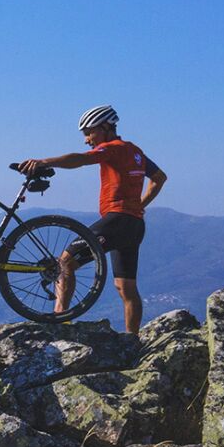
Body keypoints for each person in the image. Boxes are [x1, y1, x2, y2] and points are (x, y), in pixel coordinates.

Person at [17, 104, 167, 334]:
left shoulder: (113, 148)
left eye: (89, 132)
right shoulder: (135, 151)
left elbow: (80, 159)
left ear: (106, 127)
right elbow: (159, 177)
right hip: (134, 224)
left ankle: (60, 322)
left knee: (64, 263)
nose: (87, 139)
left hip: (116, 220)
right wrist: (140, 205)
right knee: (125, 286)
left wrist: (45, 162)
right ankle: (132, 339)